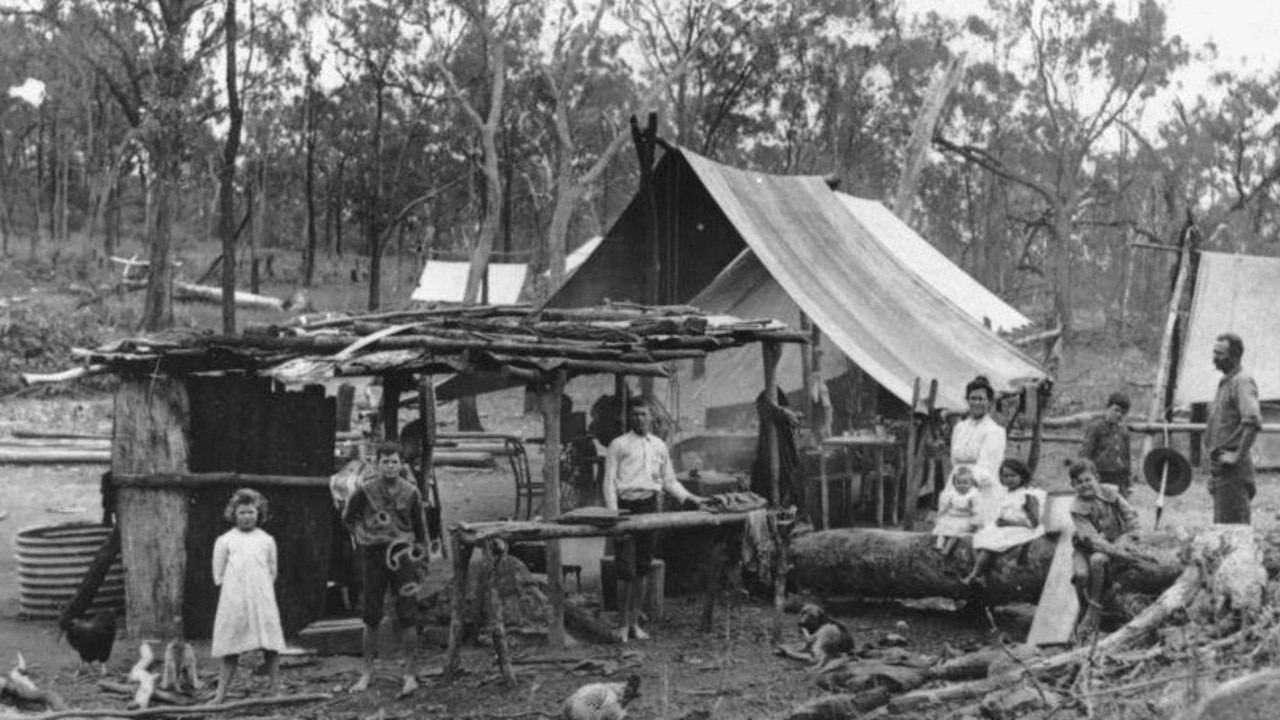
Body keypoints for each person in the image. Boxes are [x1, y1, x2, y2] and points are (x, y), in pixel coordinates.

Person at [603, 398, 708, 643]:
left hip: (650, 506)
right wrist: (613, 516)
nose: (640, 419)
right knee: (624, 570)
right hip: (625, 508)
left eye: (644, 414)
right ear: (630, 418)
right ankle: (621, 625)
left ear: (651, 417)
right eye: (636, 414)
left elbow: (669, 481)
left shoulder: (659, 446)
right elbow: (609, 483)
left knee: (642, 567)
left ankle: (635, 623)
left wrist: (691, 499)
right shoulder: (618, 445)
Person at [341, 441, 427, 697]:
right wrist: (364, 535)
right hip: (373, 555)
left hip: (403, 556)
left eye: (394, 461)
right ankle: (368, 671)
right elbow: (348, 518)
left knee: (408, 613)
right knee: (371, 612)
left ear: (401, 465)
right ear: (376, 463)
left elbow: (421, 531)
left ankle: (410, 674)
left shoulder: (411, 492)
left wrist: (421, 562)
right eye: (385, 461)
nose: (390, 466)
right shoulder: (365, 491)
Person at [211, 488, 286, 704]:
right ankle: (220, 695)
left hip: (261, 598)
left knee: (270, 644)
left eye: (251, 512)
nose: (247, 517)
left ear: (259, 513)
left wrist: (258, 589)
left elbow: (272, 571)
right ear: (234, 514)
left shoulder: (267, 540)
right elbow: (218, 574)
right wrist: (237, 593)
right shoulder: (225, 541)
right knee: (230, 647)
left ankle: (275, 691)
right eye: (242, 512)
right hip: (234, 599)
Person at [1067, 459, 1140, 636]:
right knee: (1081, 574)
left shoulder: (1110, 493)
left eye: (1087, 480)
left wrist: (1133, 535)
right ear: (1072, 486)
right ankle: (1085, 612)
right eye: (1079, 483)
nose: (1084, 485)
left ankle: (1095, 607)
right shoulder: (1077, 508)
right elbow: (1092, 538)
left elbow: (1129, 514)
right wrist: (1116, 552)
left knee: (1098, 560)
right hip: (1088, 546)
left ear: (1097, 478)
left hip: (1118, 539)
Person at [962, 458, 1046, 586]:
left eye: (1013, 475)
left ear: (1022, 476)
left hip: (1023, 528)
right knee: (978, 538)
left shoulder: (1027, 495)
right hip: (1006, 526)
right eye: (1005, 476)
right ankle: (983, 576)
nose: (1009, 479)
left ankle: (973, 575)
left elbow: (1034, 523)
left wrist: (1009, 523)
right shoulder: (1007, 493)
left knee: (988, 547)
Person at [1206, 333, 1261, 524]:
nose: (1214, 358)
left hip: (1234, 470)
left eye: (1220, 354)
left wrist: (1236, 455)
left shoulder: (1242, 382)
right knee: (1222, 527)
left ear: (1235, 355)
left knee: (1234, 531)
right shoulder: (1226, 383)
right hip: (1221, 468)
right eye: (1214, 352)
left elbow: (1252, 422)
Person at [949, 375, 1008, 524]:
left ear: (989, 402)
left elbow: (988, 467)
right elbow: (954, 459)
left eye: (981, 399)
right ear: (967, 400)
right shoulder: (960, 427)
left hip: (982, 489)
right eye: (973, 398)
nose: (977, 402)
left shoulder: (994, 430)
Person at [1080, 392, 1134, 497]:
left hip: (1119, 478)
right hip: (1101, 476)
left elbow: (1127, 458)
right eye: (1116, 410)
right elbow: (1085, 455)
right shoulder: (1096, 428)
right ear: (1108, 408)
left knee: (1120, 509)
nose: (1119, 414)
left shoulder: (1123, 431)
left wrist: (1128, 482)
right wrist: (1085, 480)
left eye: (1123, 412)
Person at [933, 466, 980, 558]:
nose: (962, 485)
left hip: (965, 518)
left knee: (955, 533)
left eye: (965, 483)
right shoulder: (953, 494)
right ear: (954, 483)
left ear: (971, 483)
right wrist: (942, 515)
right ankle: (939, 544)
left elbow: (976, 510)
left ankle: (947, 550)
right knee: (942, 526)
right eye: (959, 483)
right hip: (953, 517)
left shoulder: (973, 495)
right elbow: (947, 507)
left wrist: (975, 523)